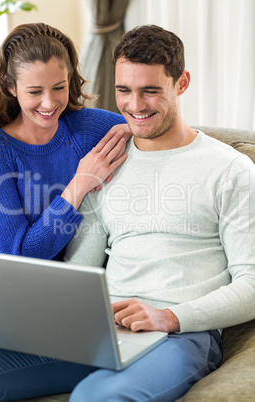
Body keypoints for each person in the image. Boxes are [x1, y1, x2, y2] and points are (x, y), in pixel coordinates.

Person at [63, 25, 255, 401]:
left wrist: (169, 317)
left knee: (95, 398)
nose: (135, 105)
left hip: (179, 336)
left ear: (181, 83)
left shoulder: (230, 170)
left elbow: (252, 283)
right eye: (124, 90)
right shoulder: (106, 163)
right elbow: (79, 272)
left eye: (150, 91)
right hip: (102, 329)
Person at [0, 22, 130, 401]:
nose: (49, 104)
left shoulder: (87, 128)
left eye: (59, 87)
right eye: (34, 91)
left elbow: (156, 131)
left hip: (58, 310)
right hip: (5, 303)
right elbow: (20, 254)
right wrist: (79, 183)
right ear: (10, 88)